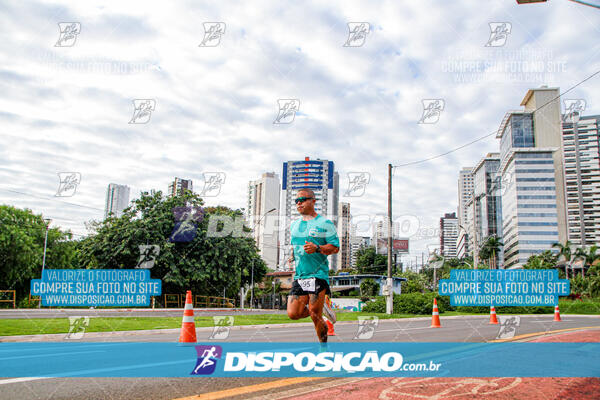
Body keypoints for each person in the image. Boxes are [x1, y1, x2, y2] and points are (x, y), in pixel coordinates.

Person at [286, 189, 339, 342]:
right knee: (293, 313)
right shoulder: (294, 225)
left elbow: (335, 248)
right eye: (296, 201)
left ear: (313, 201)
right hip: (300, 275)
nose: (299, 203)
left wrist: (317, 248)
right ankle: (321, 307)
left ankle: (323, 349)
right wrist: (292, 256)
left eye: (302, 199)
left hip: (317, 274)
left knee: (316, 317)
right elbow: (296, 245)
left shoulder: (325, 223)